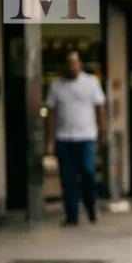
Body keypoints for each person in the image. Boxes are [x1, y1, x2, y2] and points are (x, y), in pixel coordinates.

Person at [45, 52, 106, 227]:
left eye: (74, 63)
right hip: (64, 137)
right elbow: (50, 113)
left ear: (80, 64)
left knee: (88, 171)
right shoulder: (56, 86)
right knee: (67, 177)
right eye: (68, 63)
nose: (71, 66)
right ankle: (72, 214)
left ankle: (90, 204)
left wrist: (102, 132)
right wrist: (49, 139)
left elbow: (100, 107)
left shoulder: (91, 83)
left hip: (86, 136)